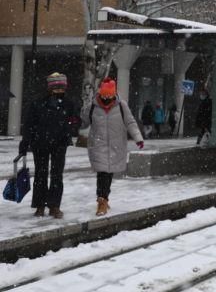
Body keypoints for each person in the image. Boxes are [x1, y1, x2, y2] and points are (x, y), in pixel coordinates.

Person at [18, 72, 79, 218]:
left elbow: (77, 121)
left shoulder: (69, 103)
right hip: (40, 143)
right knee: (41, 174)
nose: (59, 90)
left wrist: (69, 125)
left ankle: (54, 206)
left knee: (56, 175)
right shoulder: (38, 103)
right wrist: (25, 144)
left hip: (59, 143)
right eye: (56, 87)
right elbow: (29, 125)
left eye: (61, 87)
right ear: (50, 87)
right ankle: (40, 206)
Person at [82, 78, 143, 216]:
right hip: (98, 144)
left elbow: (130, 122)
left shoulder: (122, 105)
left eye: (109, 95)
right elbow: (84, 121)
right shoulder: (92, 106)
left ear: (114, 94)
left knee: (109, 173)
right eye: (104, 95)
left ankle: (104, 197)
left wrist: (138, 138)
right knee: (102, 172)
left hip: (116, 145)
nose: (106, 98)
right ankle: (101, 200)